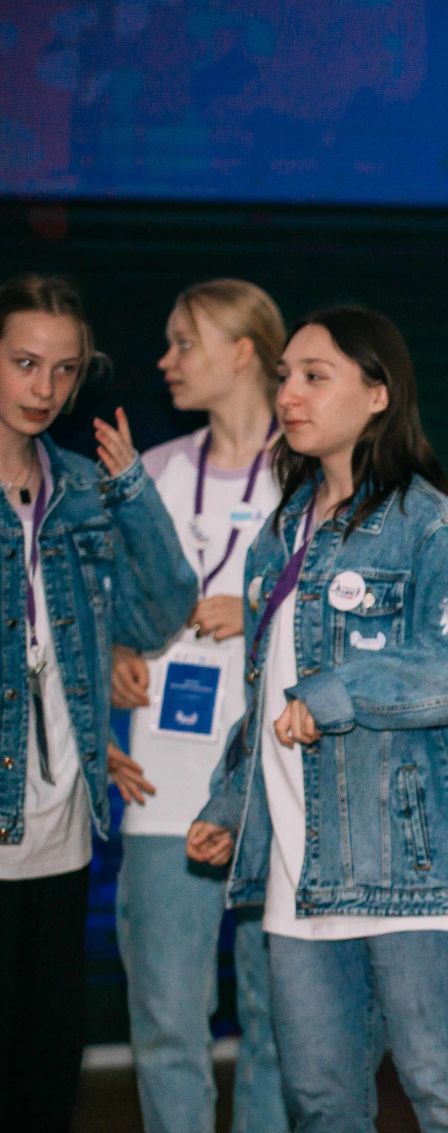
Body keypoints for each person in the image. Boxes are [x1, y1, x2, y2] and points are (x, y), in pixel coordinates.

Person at [187, 307, 448, 1132]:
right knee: (321, 1104)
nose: (289, 394)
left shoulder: (433, 525)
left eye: (314, 376)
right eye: (285, 376)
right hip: (300, 875)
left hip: (414, 873)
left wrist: (337, 695)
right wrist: (229, 804)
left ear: (377, 393)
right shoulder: (280, 535)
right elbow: (266, 696)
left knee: (446, 1095)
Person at [0, 273, 197, 1131]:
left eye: (65, 369)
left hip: (61, 822)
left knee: (46, 1065)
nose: (45, 387)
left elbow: (159, 612)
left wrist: (133, 495)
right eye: (24, 363)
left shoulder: (82, 487)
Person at [107, 279, 289, 1133]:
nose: (165, 360)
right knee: (167, 1023)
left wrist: (256, 611)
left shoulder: (309, 470)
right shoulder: (153, 472)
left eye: (185, 342)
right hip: (163, 783)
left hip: (273, 783)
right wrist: (114, 652)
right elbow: (112, 602)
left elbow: (354, 608)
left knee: (278, 1025)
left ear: (243, 351)